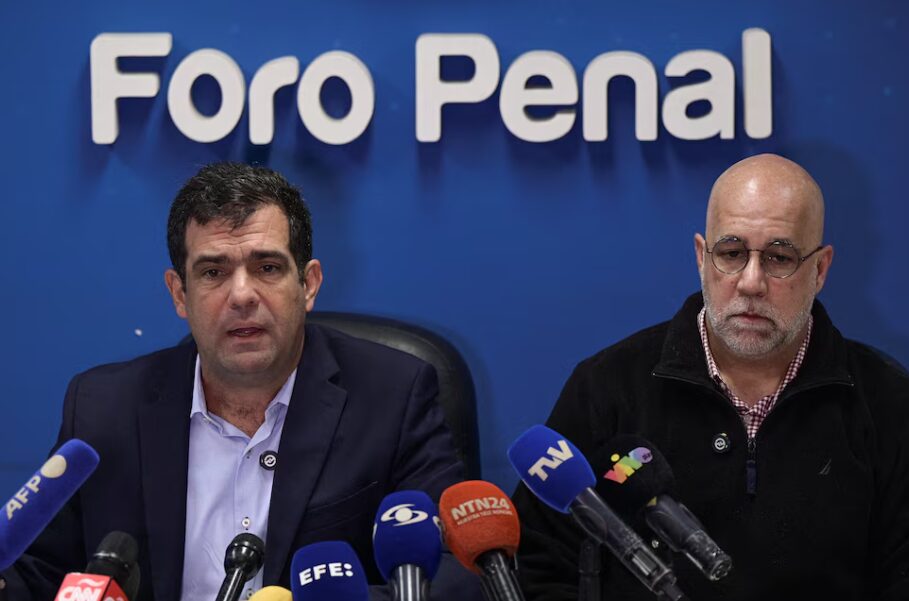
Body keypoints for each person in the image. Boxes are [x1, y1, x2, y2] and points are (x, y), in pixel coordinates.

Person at [1, 163, 480, 600]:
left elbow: (455, 569)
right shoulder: (104, 410)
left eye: (267, 268)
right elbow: (38, 572)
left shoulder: (393, 396)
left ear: (308, 284)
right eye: (213, 272)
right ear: (179, 294)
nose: (242, 295)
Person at [512, 154, 909, 600]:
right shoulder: (607, 387)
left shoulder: (888, 402)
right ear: (702, 258)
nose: (751, 282)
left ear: (819, 270)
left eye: (779, 257)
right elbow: (539, 565)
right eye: (732, 254)